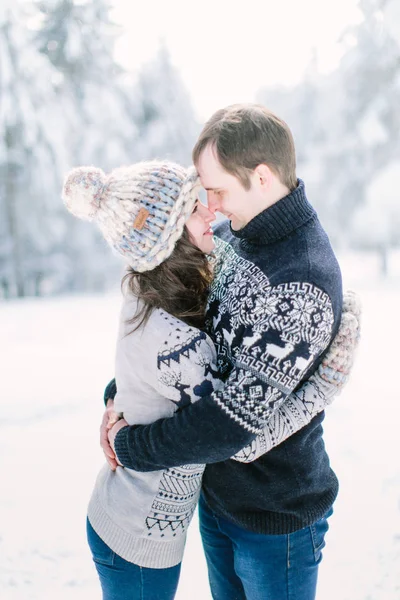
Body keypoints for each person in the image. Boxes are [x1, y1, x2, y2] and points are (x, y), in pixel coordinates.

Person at [63, 158, 359, 600]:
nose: (212, 211)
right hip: (140, 529)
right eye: (195, 205)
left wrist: (119, 402)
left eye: (210, 194)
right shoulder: (179, 332)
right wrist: (324, 385)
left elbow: (152, 371)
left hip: (240, 515)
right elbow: (235, 433)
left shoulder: (169, 284)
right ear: (167, 240)